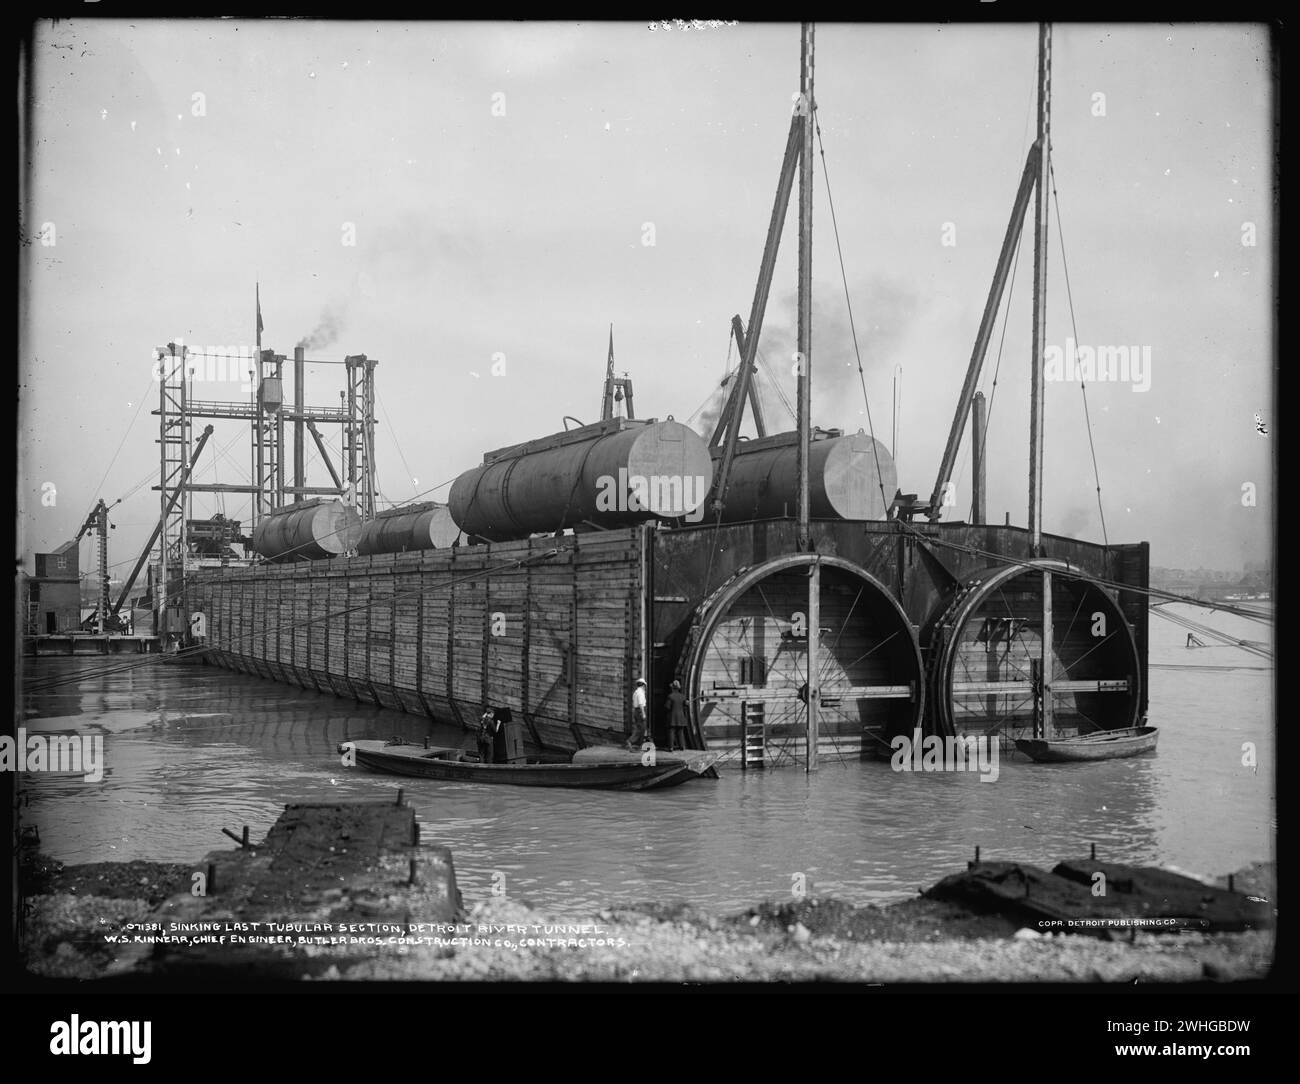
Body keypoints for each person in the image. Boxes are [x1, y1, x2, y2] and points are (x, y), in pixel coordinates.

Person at [665, 679, 688, 752]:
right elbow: (685, 705)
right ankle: (682, 746)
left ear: (672, 688)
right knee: (680, 732)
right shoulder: (683, 696)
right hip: (681, 717)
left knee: (671, 732)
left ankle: (671, 747)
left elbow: (667, 707)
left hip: (673, 717)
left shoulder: (670, 696)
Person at [627, 678, 648, 751]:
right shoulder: (640, 693)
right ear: (642, 685)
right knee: (641, 728)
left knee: (640, 728)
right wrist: (643, 714)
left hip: (636, 711)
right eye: (644, 685)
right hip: (639, 711)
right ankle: (631, 741)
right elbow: (641, 704)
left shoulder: (635, 692)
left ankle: (640, 745)